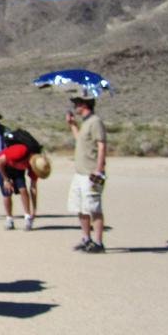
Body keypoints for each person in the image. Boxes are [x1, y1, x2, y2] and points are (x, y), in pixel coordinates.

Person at [66, 95, 107, 253]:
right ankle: (86, 238)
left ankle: (98, 242)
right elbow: (81, 141)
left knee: (94, 207)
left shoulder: (95, 122)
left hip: (91, 173)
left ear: (84, 105)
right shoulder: (85, 123)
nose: (75, 106)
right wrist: (72, 125)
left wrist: (99, 169)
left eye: (77, 103)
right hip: (80, 172)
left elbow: (101, 145)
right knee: (80, 207)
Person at [0, 139, 41, 230]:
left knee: (23, 190)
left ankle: (27, 218)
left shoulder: (36, 166)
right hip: (3, 167)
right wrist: (6, 180)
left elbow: (33, 188)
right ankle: (9, 220)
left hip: (18, 168)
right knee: (7, 192)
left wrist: (34, 210)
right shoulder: (19, 151)